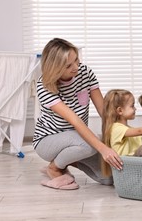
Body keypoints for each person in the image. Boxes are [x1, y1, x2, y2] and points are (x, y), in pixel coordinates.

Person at [33, 38, 123, 190]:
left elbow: (104, 111)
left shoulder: (85, 72)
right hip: (48, 140)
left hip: (77, 138)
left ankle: (70, 159)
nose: (76, 67)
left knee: (109, 178)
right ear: (55, 68)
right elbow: (75, 121)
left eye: (76, 60)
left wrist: (119, 136)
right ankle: (54, 168)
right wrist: (102, 148)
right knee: (90, 145)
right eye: (68, 65)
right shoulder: (44, 86)